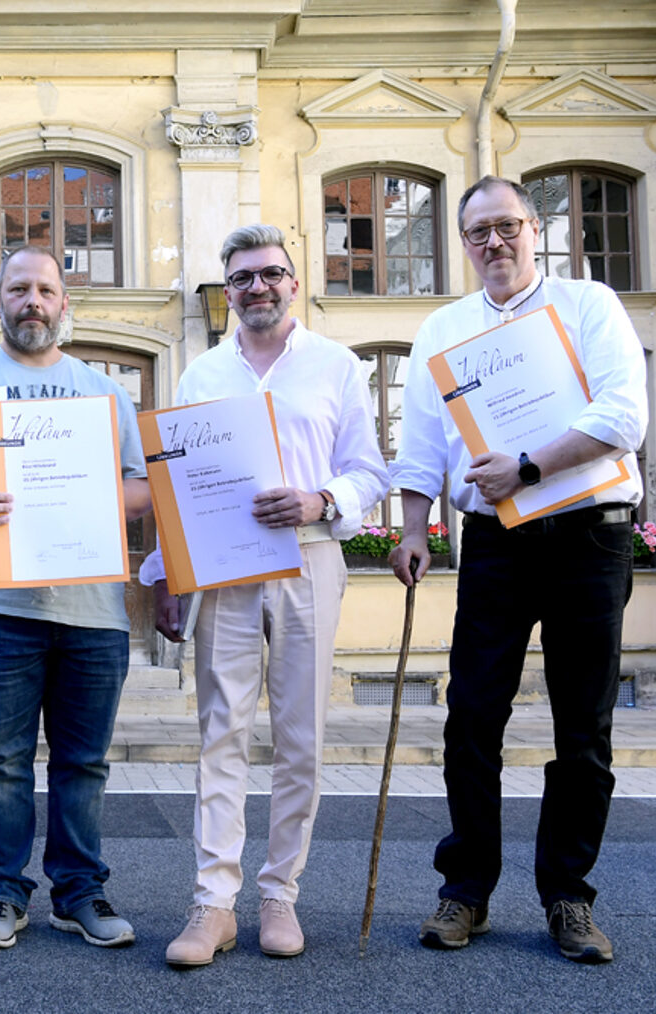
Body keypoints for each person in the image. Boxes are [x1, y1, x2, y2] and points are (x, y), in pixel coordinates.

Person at [389, 175, 648, 964]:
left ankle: (568, 896)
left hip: (590, 538)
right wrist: (409, 529)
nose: (493, 243)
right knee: (471, 717)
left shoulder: (589, 306)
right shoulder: (444, 327)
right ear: (462, 244)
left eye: (507, 226)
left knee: (584, 728)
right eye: (477, 233)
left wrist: (529, 467)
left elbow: (623, 416)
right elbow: (424, 442)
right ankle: (465, 889)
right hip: (495, 540)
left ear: (535, 229)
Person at [142, 225, 388, 967]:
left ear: (294, 280)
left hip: (311, 558)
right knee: (221, 732)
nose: (259, 287)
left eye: (272, 274)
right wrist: (166, 575)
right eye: (243, 278)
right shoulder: (203, 375)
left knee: (300, 737)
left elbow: (370, 471)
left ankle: (280, 893)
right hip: (223, 568)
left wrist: (321, 500)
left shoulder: (337, 367)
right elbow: (177, 487)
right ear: (228, 291)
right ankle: (213, 905)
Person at [0, 245, 152, 950]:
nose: (32, 301)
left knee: (84, 761)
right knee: (2, 757)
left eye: (46, 289)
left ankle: (79, 891)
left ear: (64, 304)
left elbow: (142, 488)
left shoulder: (104, 391)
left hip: (94, 610)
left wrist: (89, 496)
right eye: (17, 289)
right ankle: (1, 894)